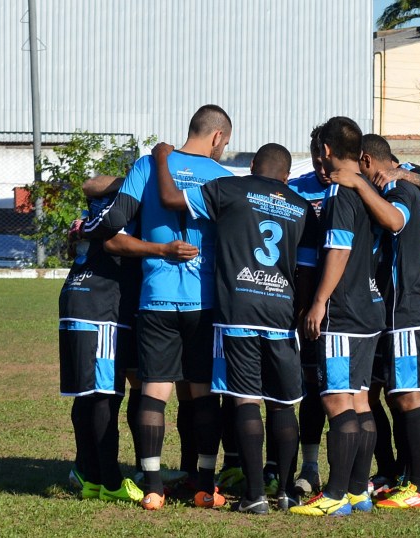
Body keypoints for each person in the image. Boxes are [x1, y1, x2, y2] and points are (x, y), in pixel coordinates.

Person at [153, 141, 319, 514]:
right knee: (281, 405)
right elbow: (306, 268)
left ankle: (255, 494)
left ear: (253, 166)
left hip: (238, 309)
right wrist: (298, 307)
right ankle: (287, 491)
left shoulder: (231, 188)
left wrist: (162, 157)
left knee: (244, 399)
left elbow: (169, 198)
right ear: (287, 176)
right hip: (282, 312)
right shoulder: (301, 206)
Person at [82, 105, 233, 510]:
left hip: (155, 299)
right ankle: (204, 484)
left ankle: (152, 487)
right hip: (203, 302)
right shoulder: (222, 177)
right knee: (202, 395)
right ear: (218, 137)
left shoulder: (148, 165)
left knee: (153, 393)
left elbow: (116, 222)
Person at [329, 132, 420, 510]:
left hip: (410, 311)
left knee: (412, 399)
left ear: (364, 160)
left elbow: (395, 220)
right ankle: (415, 482)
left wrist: (361, 187)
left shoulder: (399, 189)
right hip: (416, 310)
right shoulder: (399, 186)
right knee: (412, 397)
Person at [61, 197, 198, 504]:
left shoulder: (108, 209)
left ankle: (107, 473)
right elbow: (113, 239)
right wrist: (163, 249)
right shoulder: (120, 205)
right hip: (100, 306)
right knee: (102, 393)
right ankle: (103, 477)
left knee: (112, 387)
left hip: (105, 302)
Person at [290, 118, 384, 517]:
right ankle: (360, 493)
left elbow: (339, 251)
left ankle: (334, 495)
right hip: (370, 308)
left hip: (344, 311)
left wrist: (319, 302)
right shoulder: (367, 191)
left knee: (335, 399)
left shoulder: (341, 194)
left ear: (326, 150)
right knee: (360, 400)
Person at [287, 126, 330, 497]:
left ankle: (371, 473)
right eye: (315, 157)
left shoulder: (357, 185)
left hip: (352, 306)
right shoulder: (298, 188)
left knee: (357, 394)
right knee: (310, 387)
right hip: (304, 303)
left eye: (325, 157)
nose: (320, 165)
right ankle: (308, 466)